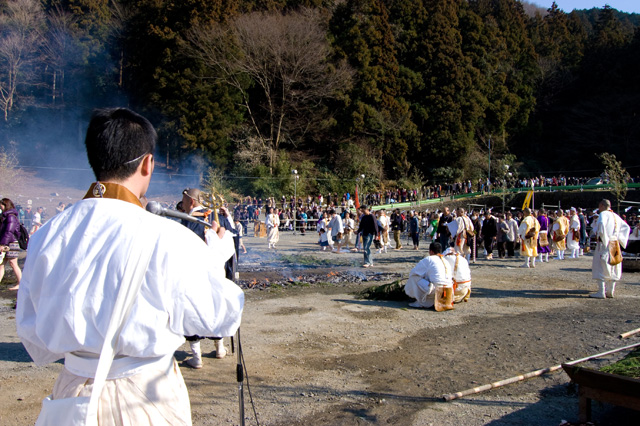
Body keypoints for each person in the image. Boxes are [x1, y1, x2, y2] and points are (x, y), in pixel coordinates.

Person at [15, 107, 244, 425]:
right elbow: (217, 319)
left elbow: (34, 340)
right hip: (145, 393)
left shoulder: (48, 235)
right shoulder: (168, 236)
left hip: (72, 392)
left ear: (94, 157)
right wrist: (216, 259)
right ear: (148, 163)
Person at [179, 188, 232, 366]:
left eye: (184, 201)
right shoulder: (218, 216)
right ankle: (219, 348)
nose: (183, 204)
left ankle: (197, 357)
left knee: (191, 311)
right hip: (216, 273)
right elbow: (231, 237)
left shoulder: (189, 220)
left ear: (191, 202)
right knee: (215, 307)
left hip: (194, 272)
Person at [590, 199, 630, 299]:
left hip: (605, 243)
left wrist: (603, 237)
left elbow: (601, 226)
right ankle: (610, 290)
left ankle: (601, 291)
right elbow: (626, 227)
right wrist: (620, 239)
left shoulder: (603, 214)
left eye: (599, 206)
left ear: (602, 205)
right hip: (615, 243)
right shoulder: (616, 216)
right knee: (614, 265)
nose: (599, 209)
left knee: (601, 265)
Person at [404, 242, 453, 310]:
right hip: (449, 291)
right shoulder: (445, 260)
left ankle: (422, 301)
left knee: (414, 278)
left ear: (431, 251)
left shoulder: (429, 259)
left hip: (436, 290)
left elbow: (413, 272)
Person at [0, 198, 23, 291]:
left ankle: (20, 284)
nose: (0, 207)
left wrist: (2, 244)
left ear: (6, 205)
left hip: (12, 243)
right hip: (6, 242)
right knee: (1, 264)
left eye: (1, 205)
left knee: (13, 263)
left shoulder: (11, 217)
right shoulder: (5, 216)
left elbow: (9, 231)